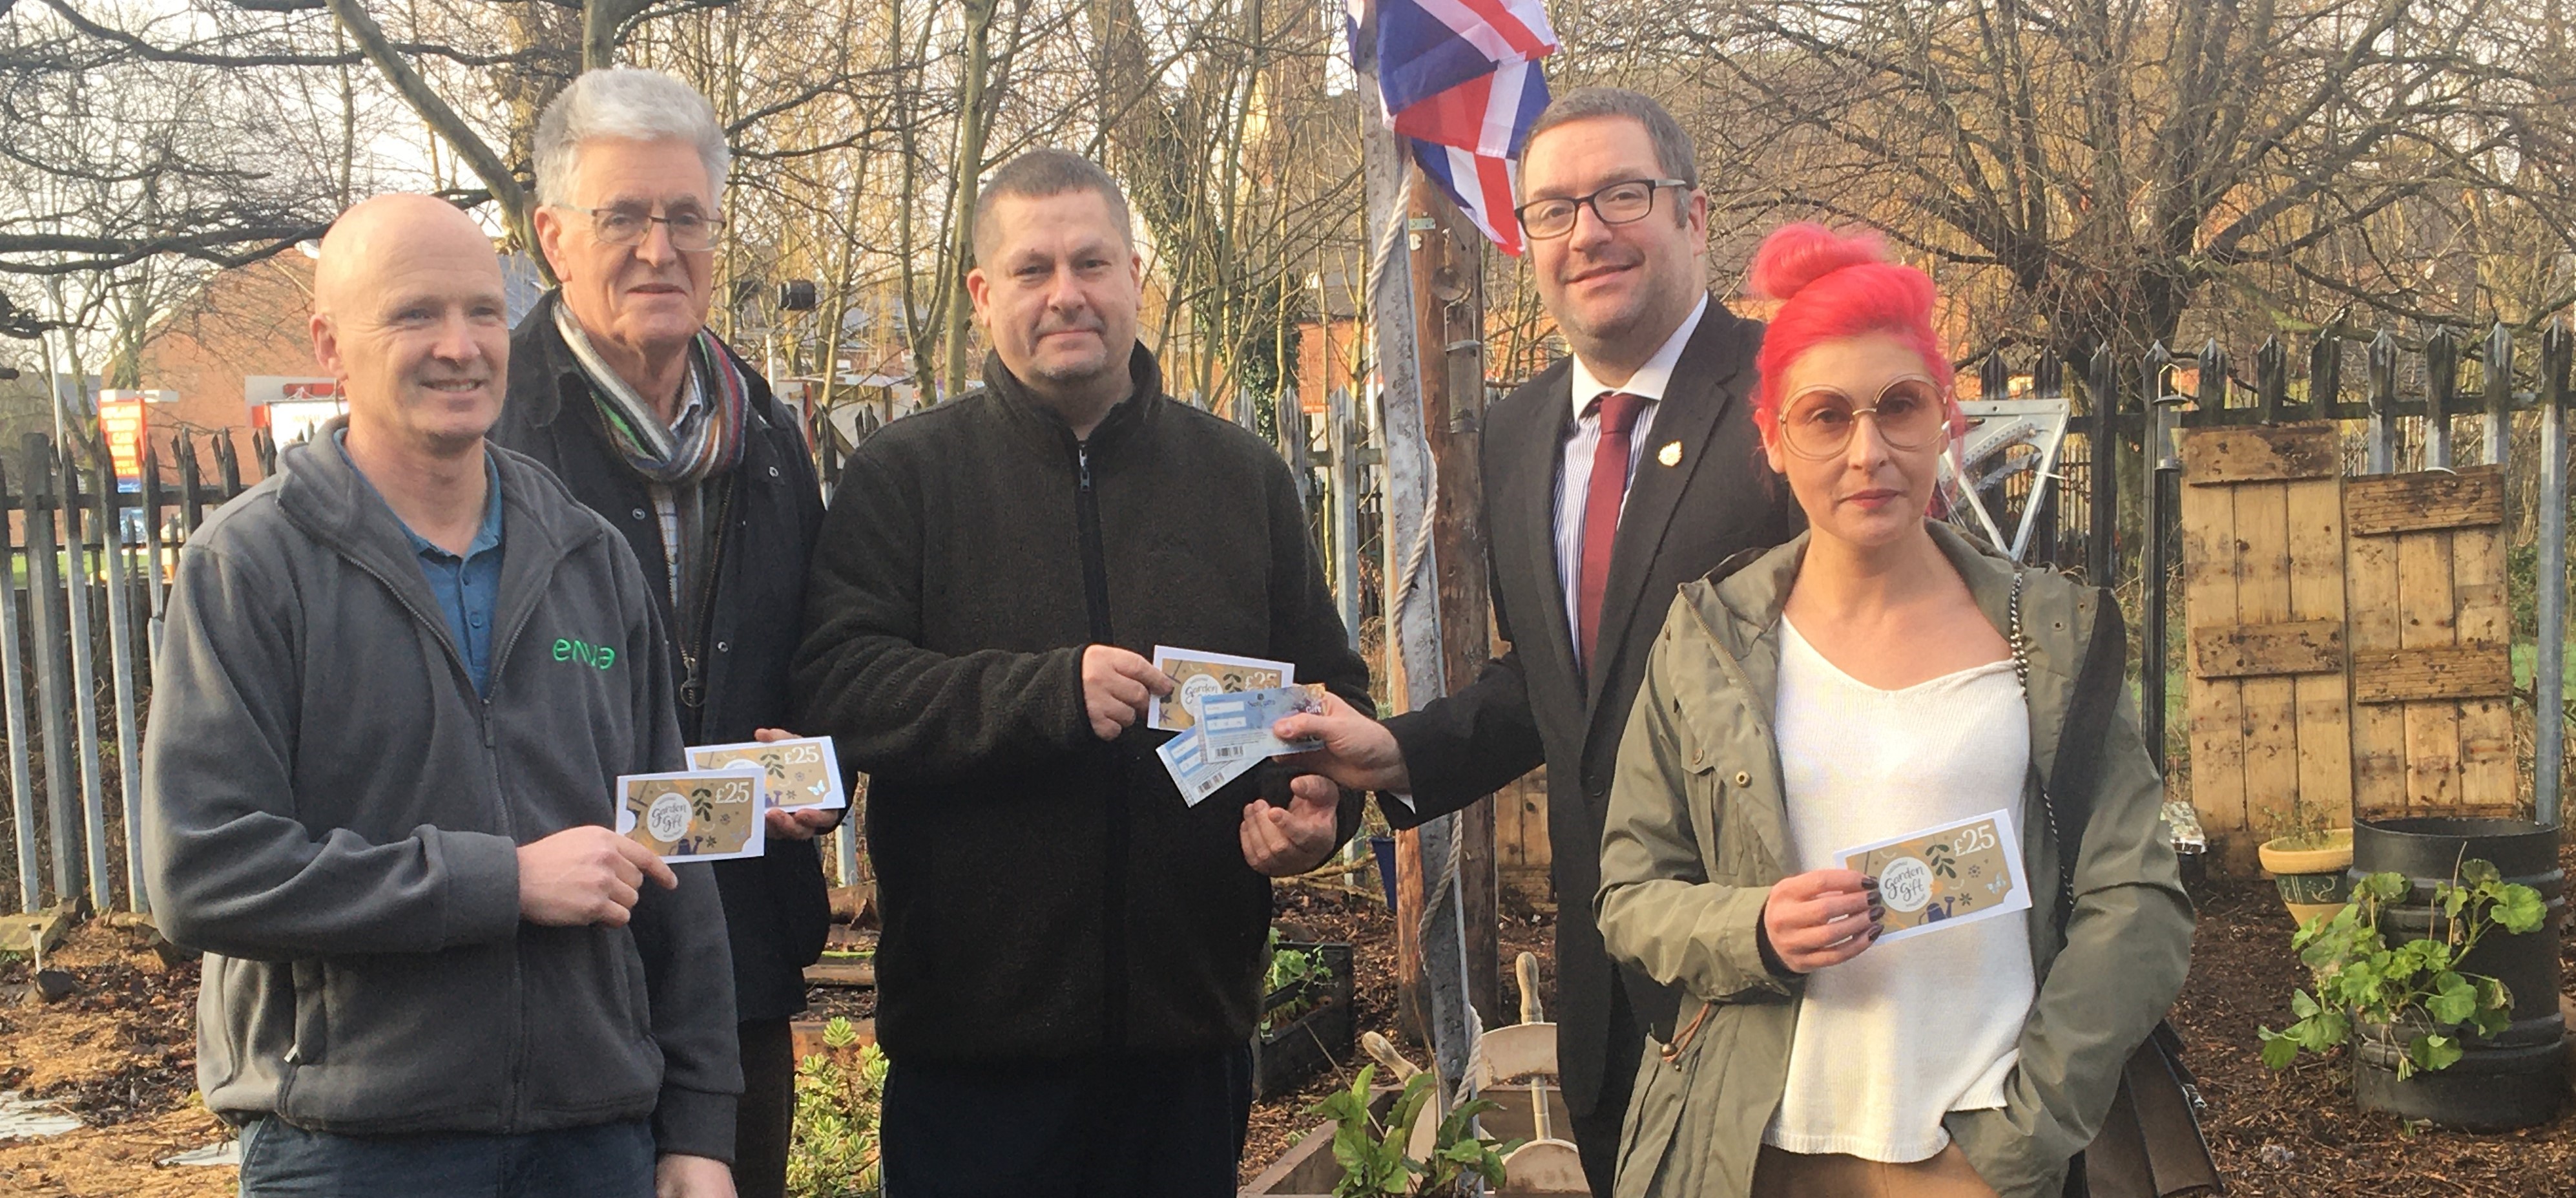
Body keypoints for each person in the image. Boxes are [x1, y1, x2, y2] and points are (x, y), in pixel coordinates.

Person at [790, 148, 1371, 1197]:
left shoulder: (1243, 480)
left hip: (1188, 1048)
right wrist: (1045, 693)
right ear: (982, 295)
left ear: (1137, 277)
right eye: (1033, 268)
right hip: (974, 1056)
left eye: (1093, 263)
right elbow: (840, 684)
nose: (1068, 293)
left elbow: (1332, 697)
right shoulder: (908, 478)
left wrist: (1321, 813)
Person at [140, 193, 740, 1197]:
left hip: (593, 1137)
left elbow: (671, 843)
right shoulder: (249, 568)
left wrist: (701, 1126)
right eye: (415, 314)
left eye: (481, 312)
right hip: (349, 1145)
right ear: (331, 341)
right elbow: (203, 869)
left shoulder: (587, 556)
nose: (460, 347)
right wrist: (500, 882)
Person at [1272, 87, 1803, 1194]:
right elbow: (1563, 688)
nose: (1588, 232)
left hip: (1788, 964)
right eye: (1553, 210)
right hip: (1614, 990)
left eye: (1622, 195)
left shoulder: (1796, 399)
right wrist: (1399, 751)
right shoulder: (1518, 436)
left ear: (1695, 216)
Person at [1592, 224, 2194, 1198]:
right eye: (1825, 417)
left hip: (1975, 1161)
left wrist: (2017, 1134)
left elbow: (2141, 904)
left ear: (1946, 421)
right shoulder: (1705, 644)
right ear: (1775, 442)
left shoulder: (2051, 637)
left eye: (1899, 406)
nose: (1867, 450)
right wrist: (1752, 927)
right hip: (1757, 1152)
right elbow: (1630, 893)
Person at [489, 68, 833, 1198]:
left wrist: (819, 759)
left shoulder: (769, 438)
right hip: (546, 976)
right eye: (622, 216)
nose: (658, 247)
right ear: (552, 236)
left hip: (737, 961)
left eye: (685, 217)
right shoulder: (495, 437)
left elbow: (822, 647)